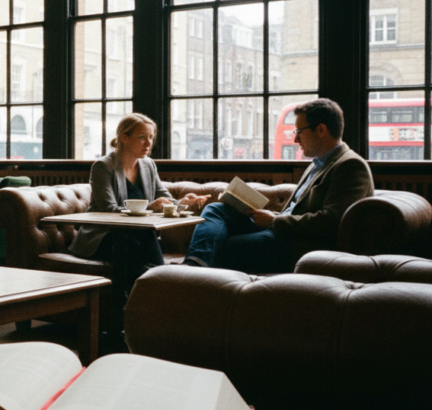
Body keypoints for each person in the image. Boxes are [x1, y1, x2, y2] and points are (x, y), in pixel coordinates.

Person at [183, 98, 375, 273]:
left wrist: (274, 222)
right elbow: (297, 212)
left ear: (321, 130)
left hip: (296, 244)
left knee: (221, 246)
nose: (295, 139)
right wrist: (273, 217)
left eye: (299, 131)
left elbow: (331, 222)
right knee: (216, 209)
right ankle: (193, 266)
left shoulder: (350, 166)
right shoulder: (317, 164)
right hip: (281, 230)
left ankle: (190, 272)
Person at [69, 113, 209, 301]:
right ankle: (132, 306)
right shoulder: (103, 166)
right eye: (142, 137)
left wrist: (182, 203)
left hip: (138, 235)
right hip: (103, 236)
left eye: (151, 137)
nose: (148, 143)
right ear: (124, 138)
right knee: (127, 240)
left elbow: (164, 198)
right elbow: (109, 210)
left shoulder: (148, 165)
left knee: (144, 236)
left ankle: (146, 299)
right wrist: (151, 207)